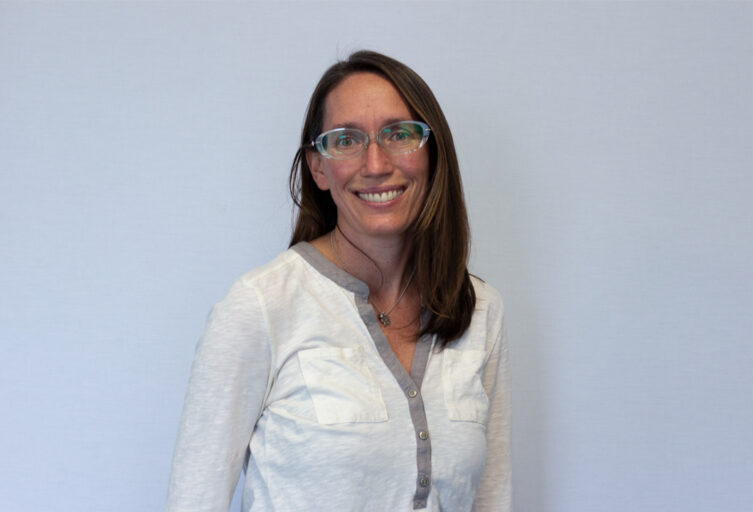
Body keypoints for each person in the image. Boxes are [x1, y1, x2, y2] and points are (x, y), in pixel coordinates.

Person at [165, 50, 511, 512]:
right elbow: (193, 501)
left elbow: (492, 498)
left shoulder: (479, 308)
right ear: (318, 167)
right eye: (346, 140)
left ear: (432, 151)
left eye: (399, 134)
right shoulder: (260, 307)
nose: (375, 164)